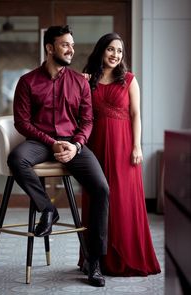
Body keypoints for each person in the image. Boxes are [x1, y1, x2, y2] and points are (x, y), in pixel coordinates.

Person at [7, 25, 109, 287]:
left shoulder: (79, 83)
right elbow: (22, 122)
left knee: (101, 188)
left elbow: (87, 120)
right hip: (41, 143)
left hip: (73, 144)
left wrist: (76, 145)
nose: (71, 50)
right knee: (17, 158)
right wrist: (51, 143)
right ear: (49, 48)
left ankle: (93, 261)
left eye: (72, 45)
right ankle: (48, 209)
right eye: (65, 45)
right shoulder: (27, 81)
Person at [79, 32, 161, 276]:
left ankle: (124, 256)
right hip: (95, 145)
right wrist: (81, 82)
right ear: (101, 51)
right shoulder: (88, 79)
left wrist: (137, 146)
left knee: (122, 200)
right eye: (111, 49)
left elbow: (136, 115)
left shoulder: (128, 79)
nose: (115, 55)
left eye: (120, 51)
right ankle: (95, 259)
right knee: (97, 199)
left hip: (124, 146)